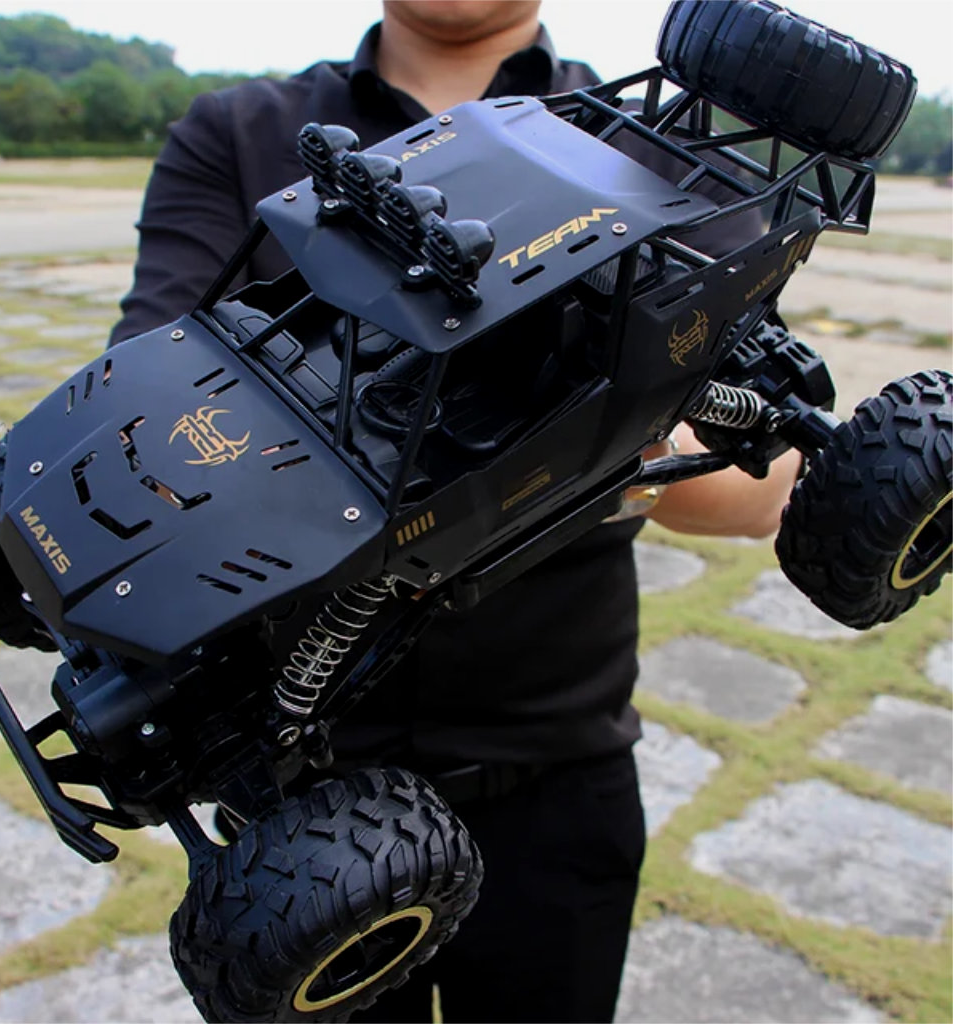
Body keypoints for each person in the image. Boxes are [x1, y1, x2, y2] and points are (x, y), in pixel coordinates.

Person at [110, 3, 801, 1020]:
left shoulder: (662, 149)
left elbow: (761, 483)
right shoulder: (243, 131)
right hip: (295, 799)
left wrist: (578, 447)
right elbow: (145, 397)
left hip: (551, 782)